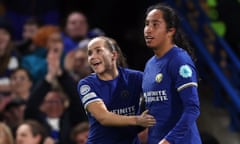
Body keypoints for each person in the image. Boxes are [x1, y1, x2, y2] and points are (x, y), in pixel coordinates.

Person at [77, 36, 156, 143]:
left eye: (98, 51)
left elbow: (160, 93)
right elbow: (103, 117)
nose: (92, 57)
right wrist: (138, 120)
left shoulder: (136, 78)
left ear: (113, 55)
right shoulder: (86, 84)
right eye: (90, 53)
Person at [142, 3, 201, 144]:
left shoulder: (179, 60)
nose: (148, 30)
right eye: (146, 24)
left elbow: (192, 108)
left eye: (155, 25)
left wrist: (169, 140)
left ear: (170, 31)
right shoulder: (150, 64)